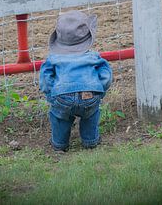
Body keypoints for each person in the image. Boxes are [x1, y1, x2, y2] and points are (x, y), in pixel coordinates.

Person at [39, 10, 112, 152]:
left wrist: (51, 94)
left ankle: (59, 144)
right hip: (90, 93)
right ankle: (90, 141)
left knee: (59, 117)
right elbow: (106, 75)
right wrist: (99, 90)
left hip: (62, 95)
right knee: (91, 114)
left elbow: (45, 78)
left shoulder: (53, 58)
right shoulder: (93, 57)